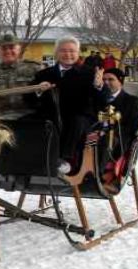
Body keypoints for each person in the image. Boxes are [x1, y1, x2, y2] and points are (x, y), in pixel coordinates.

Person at [30, 36, 108, 174]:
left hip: (81, 118)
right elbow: (28, 99)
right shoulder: (43, 74)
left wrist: (99, 85)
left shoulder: (89, 73)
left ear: (78, 53)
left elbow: (104, 100)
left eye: (72, 51)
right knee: (31, 122)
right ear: (56, 53)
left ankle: (65, 159)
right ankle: (32, 159)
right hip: (51, 116)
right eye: (63, 51)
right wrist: (38, 91)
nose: (68, 55)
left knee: (76, 121)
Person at [0, 34, 43, 119]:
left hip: (31, 117)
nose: (7, 51)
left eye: (11, 47)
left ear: (19, 49)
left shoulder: (35, 68)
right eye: (4, 48)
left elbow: (48, 88)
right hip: (1, 118)